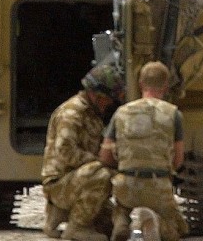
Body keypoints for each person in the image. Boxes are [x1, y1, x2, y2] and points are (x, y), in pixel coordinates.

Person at [99, 61, 189, 241]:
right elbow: (178, 160)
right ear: (166, 87)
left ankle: (122, 220)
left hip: (127, 185)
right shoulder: (173, 114)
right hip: (158, 186)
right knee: (178, 229)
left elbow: (105, 156)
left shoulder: (121, 112)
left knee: (122, 205)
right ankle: (157, 223)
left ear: (140, 84)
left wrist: (123, 167)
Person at [42, 63, 124, 241]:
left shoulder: (92, 113)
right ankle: (77, 227)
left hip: (76, 180)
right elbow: (66, 152)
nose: (109, 103)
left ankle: (59, 214)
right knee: (102, 175)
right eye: (107, 98)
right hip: (60, 183)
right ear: (95, 94)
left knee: (110, 225)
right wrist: (100, 161)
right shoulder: (72, 114)